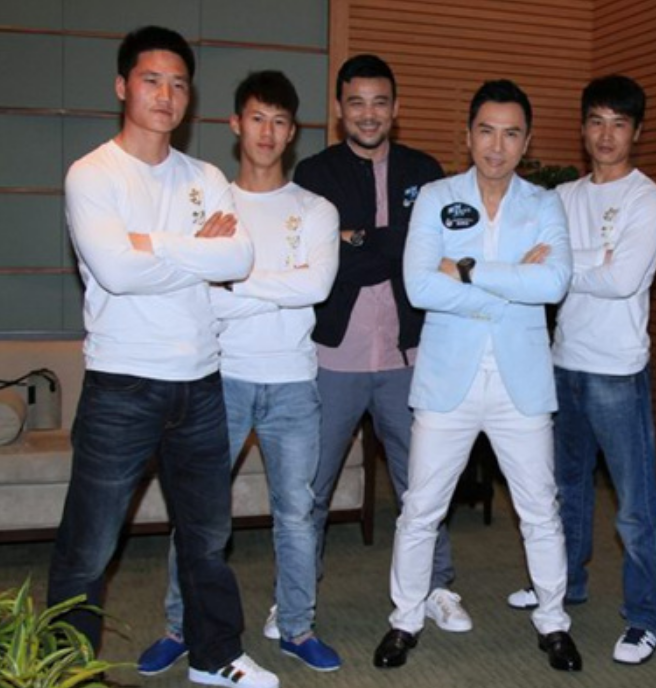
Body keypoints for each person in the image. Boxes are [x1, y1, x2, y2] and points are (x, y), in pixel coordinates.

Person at [47, 25, 279, 688]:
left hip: (200, 382)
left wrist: (153, 242)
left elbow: (237, 257)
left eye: (179, 84)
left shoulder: (205, 176)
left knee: (206, 537)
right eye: (152, 80)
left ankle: (214, 656)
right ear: (123, 86)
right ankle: (65, 670)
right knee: (89, 546)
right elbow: (117, 272)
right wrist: (194, 248)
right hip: (123, 385)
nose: (166, 95)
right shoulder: (92, 174)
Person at [136, 71, 341, 675]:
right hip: (218, 379)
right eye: (256, 118)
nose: (267, 132)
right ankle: (181, 626)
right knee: (198, 515)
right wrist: (265, 287)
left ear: (292, 131)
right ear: (235, 124)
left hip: (294, 382)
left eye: (279, 121)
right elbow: (198, 294)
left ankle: (297, 626)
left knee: (297, 514)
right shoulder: (208, 203)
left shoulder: (316, 209)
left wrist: (233, 280)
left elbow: (316, 287)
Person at [372, 79, 581, 672]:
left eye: (511, 134)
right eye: (486, 131)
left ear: (526, 142)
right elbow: (419, 286)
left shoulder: (545, 203)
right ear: (467, 136)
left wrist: (465, 270)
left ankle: (553, 621)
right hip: (448, 380)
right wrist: (509, 282)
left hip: (522, 382)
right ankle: (405, 618)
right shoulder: (436, 197)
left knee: (540, 510)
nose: (497, 146)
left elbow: (553, 283)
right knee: (421, 508)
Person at [292, 55, 471, 633]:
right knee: (311, 488)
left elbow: (438, 256)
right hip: (333, 357)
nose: (368, 114)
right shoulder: (314, 174)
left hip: (409, 355)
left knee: (423, 484)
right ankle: (295, 597)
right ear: (339, 109)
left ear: (396, 108)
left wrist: (356, 238)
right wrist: (394, 244)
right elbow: (322, 262)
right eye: (356, 102)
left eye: (379, 102)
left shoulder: (427, 171)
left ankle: (436, 586)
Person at [505, 74, 656, 664]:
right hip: (562, 361)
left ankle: (647, 616)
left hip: (618, 369)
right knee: (564, 489)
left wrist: (566, 263)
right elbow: (534, 271)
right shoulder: (563, 197)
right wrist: (593, 259)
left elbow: (622, 279)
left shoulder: (648, 199)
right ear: (582, 128)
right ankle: (565, 582)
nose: (606, 135)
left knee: (635, 503)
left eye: (619, 124)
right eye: (596, 122)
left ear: (636, 132)